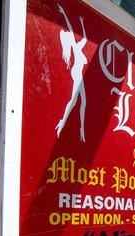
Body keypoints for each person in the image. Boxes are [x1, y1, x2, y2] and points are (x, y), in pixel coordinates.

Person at [55, 4, 88, 142]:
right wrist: (64, 14)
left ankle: (81, 128)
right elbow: (70, 29)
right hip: (77, 74)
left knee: (80, 101)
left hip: (79, 74)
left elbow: (85, 38)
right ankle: (64, 122)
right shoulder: (74, 46)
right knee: (77, 101)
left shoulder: (79, 47)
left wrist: (82, 23)